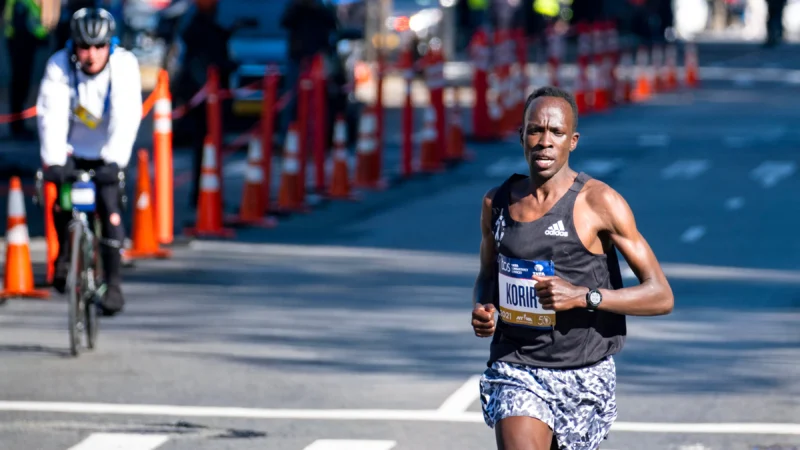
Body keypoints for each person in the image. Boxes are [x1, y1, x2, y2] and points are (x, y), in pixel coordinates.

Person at [471, 86, 674, 450]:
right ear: (521, 136)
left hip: (585, 372)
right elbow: (488, 273)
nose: (544, 142)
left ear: (573, 141)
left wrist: (584, 296)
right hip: (517, 366)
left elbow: (660, 294)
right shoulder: (497, 202)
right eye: (535, 130)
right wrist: (485, 308)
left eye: (556, 133)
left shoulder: (600, 202)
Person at [36, 6, 142, 316]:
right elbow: (50, 115)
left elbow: (127, 114)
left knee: (110, 209)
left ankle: (113, 284)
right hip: (71, 150)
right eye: (84, 47)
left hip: (108, 152)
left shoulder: (124, 65)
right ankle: (64, 257)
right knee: (63, 202)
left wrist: (115, 160)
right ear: (74, 46)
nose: (91, 55)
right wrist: (54, 160)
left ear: (110, 45)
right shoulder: (59, 66)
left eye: (99, 47)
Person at [3, 0, 59, 139]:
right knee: (20, 83)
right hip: (20, 37)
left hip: (26, 37)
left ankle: (18, 124)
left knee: (23, 82)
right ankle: (17, 125)